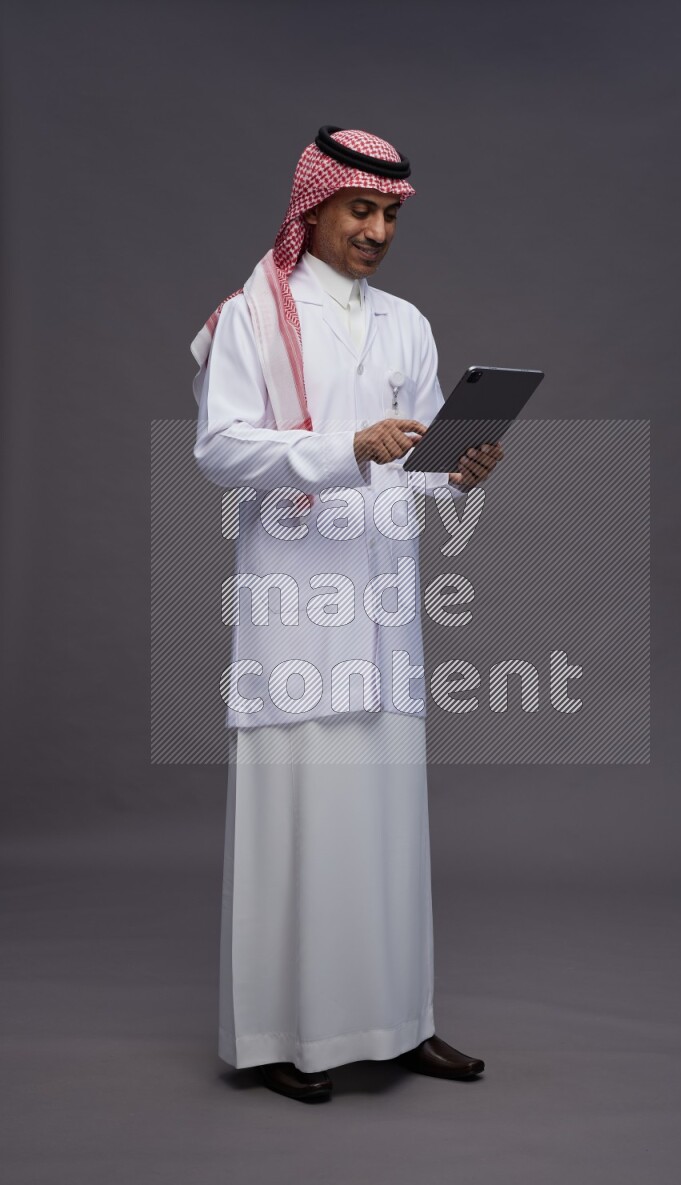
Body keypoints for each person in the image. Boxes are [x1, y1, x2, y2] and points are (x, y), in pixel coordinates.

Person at [191, 126, 503, 1103]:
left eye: (389, 215)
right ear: (312, 208)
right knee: (297, 819)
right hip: (296, 607)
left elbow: (406, 479)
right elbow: (220, 449)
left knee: (383, 824)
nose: (375, 230)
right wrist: (346, 448)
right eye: (359, 209)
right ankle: (275, 1036)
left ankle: (397, 1022)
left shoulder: (405, 326)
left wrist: (456, 474)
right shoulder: (252, 316)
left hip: (380, 609)